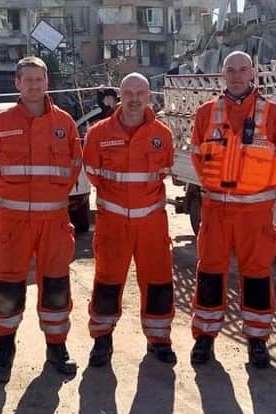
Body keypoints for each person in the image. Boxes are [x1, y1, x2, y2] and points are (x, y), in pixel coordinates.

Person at [0, 56, 82, 382]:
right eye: (27, 80)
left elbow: (74, 166)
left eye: (39, 79)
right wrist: (5, 201)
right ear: (17, 84)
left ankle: (56, 348)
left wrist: (52, 198)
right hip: (13, 224)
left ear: (47, 82)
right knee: (9, 287)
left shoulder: (65, 124)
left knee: (56, 287)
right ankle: (4, 353)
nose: (34, 85)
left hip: (54, 223)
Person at [188, 51, 276, 368]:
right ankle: (205, 338)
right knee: (209, 272)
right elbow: (197, 154)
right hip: (216, 212)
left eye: (242, 69)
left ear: (253, 73)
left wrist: (264, 188)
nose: (236, 75)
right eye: (230, 70)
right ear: (223, 74)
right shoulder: (206, 113)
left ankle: (257, 342)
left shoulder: (273, 113)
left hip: (255, 214)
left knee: (257, 276)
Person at [83, 72, 176, 367]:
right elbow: (93, 173)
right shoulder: (98, 133)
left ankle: (159, 339)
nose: (134, 99)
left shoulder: (163, 134)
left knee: (159, 280)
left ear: (149, 96)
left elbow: (163, 173)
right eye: (128, 93)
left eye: (141, 92)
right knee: (108, 281)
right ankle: (102, 339)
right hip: (113, 223)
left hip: (151, 222)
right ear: (119, 96)